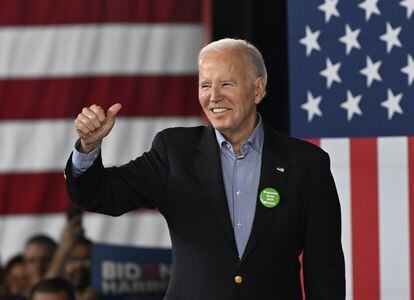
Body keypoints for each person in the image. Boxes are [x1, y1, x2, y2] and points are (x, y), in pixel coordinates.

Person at [65, 38, 345, 299]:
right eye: (205, 85)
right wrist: (88, 147)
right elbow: (102, 195)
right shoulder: (175, 151)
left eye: (227, 84)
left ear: (257, 90)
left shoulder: (307, 164)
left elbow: (325, 268)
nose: (214, 97)